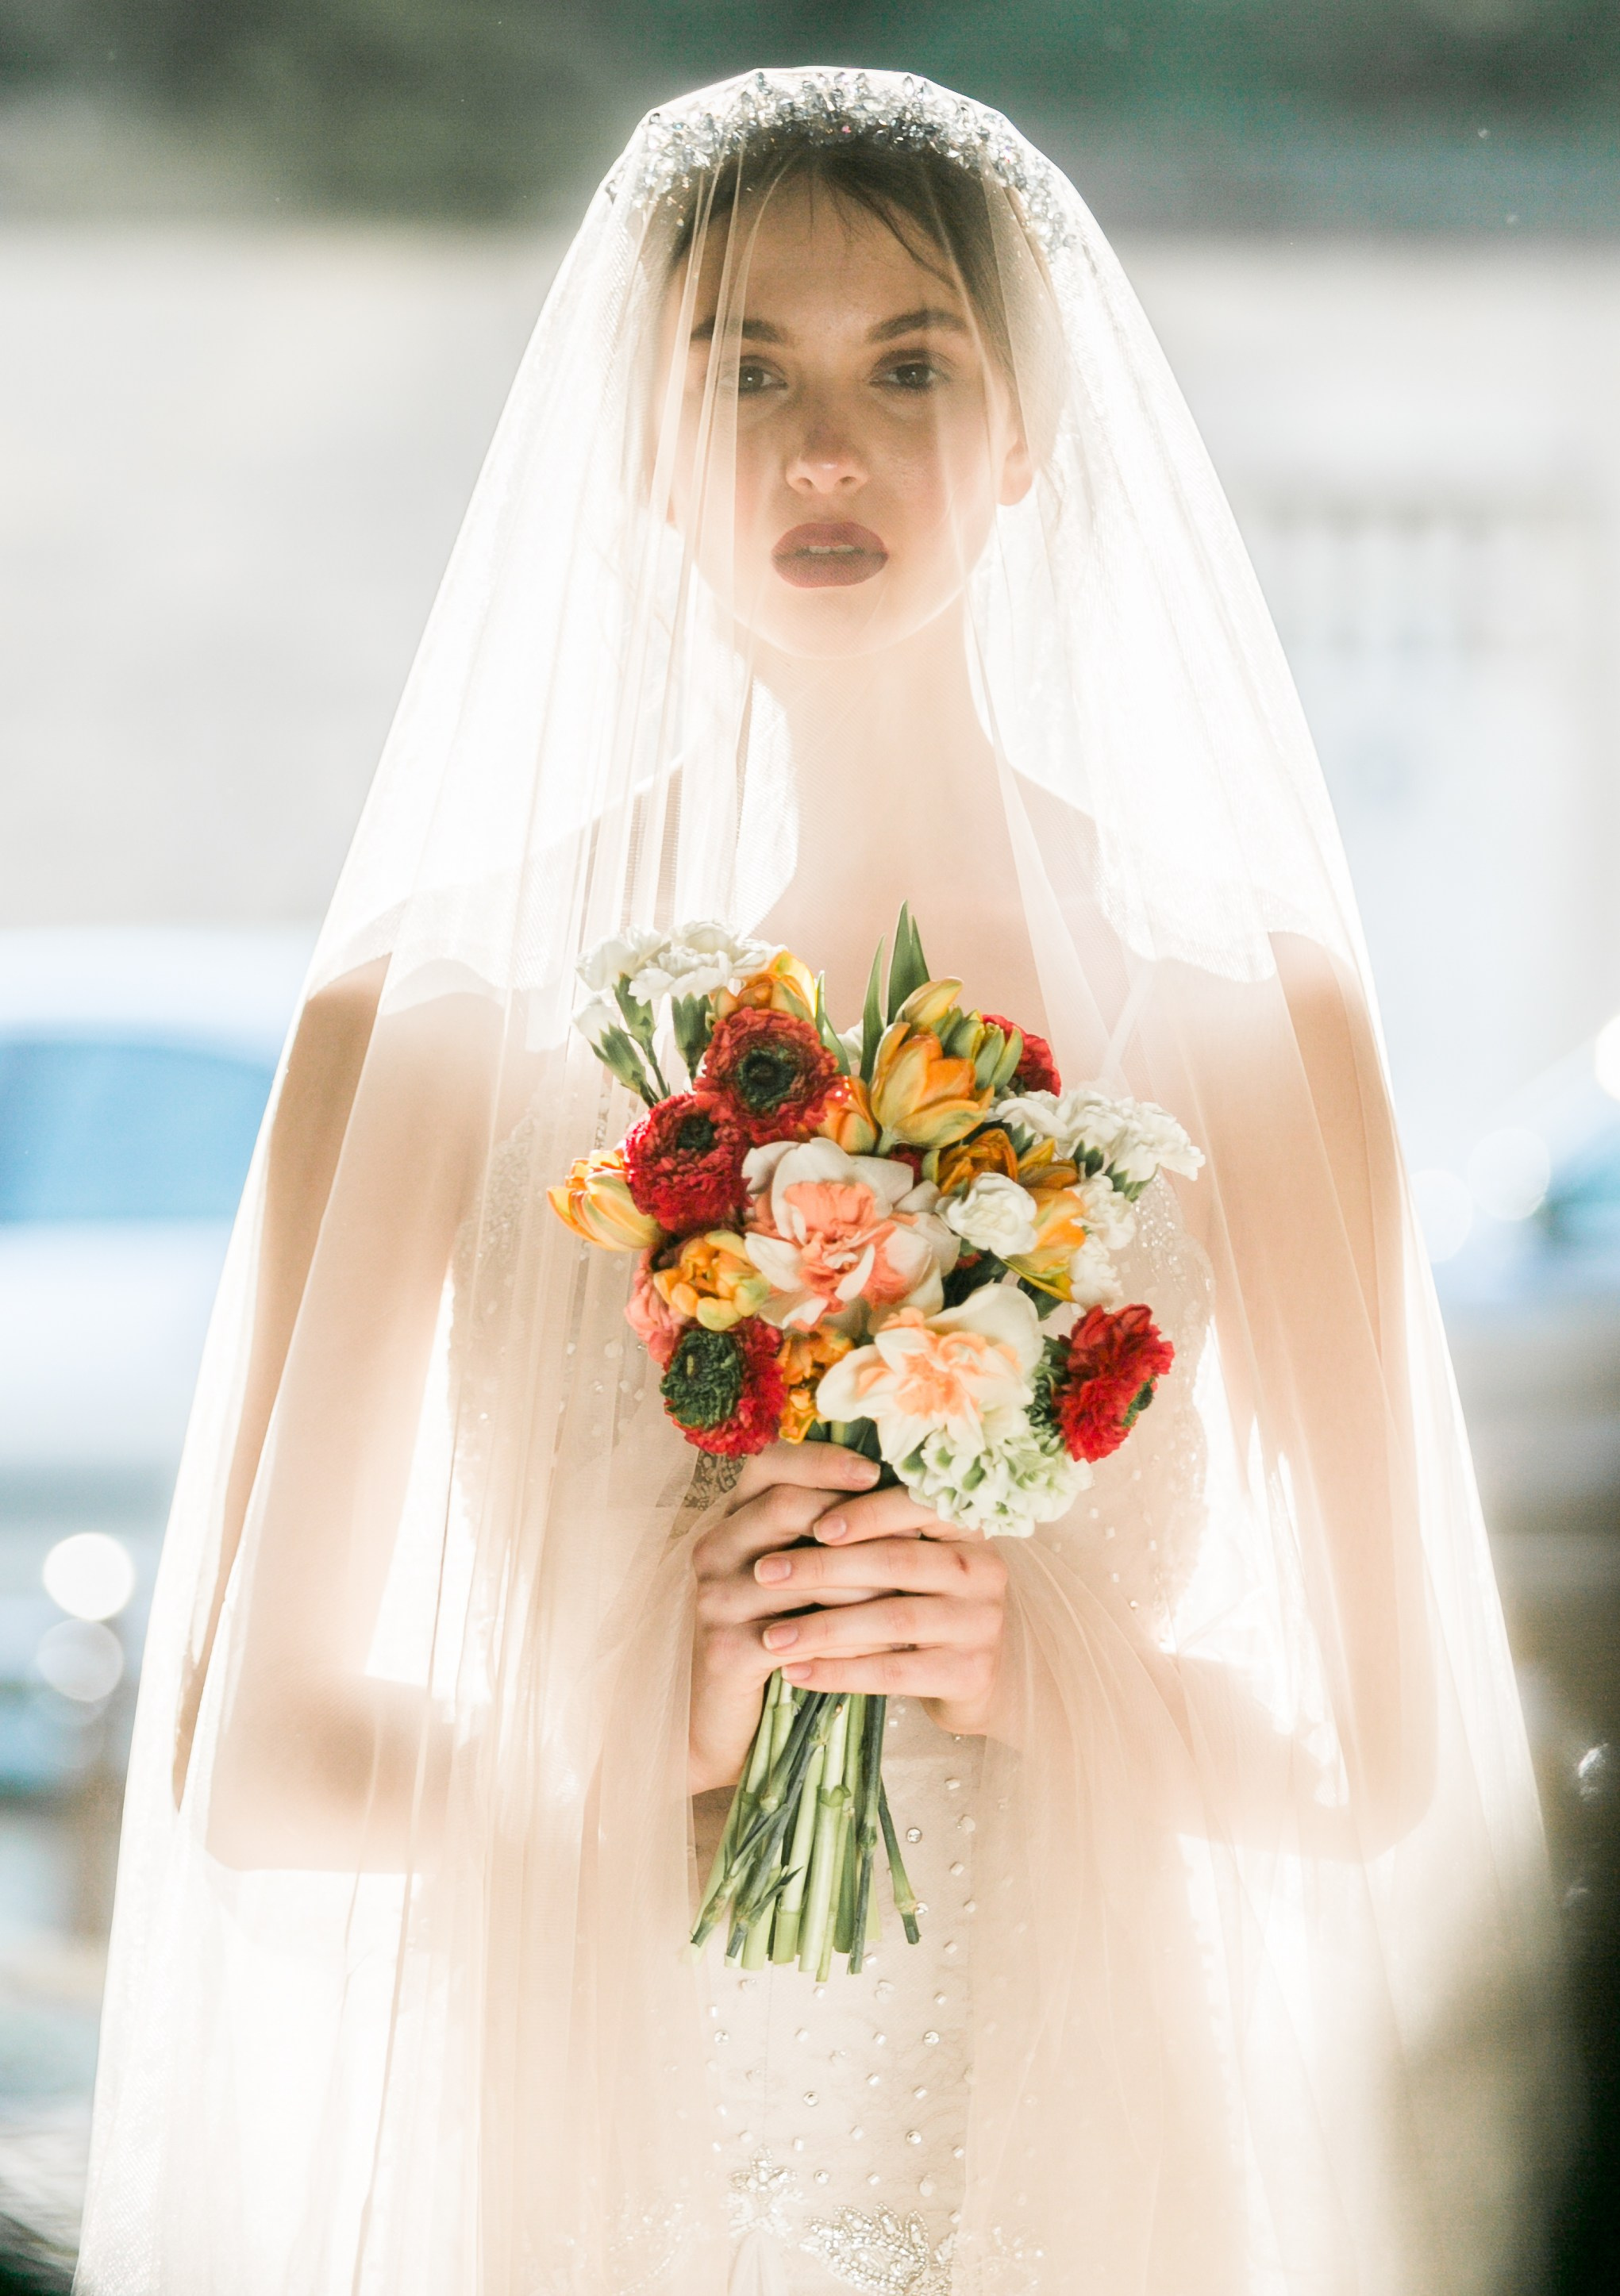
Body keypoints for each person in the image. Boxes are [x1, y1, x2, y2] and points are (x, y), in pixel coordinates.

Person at [75, 68, 1560, 2296]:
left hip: (1073, 2142)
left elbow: (1371, 1762)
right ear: (636, 443)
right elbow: (247, 1765)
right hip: (598, 2135)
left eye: (909, 365)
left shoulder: (1248, 1023)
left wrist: (1035, 1668)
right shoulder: (434, 1015)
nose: (825, 449)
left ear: (1031, 433)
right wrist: (611, 1727)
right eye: (743, 368)